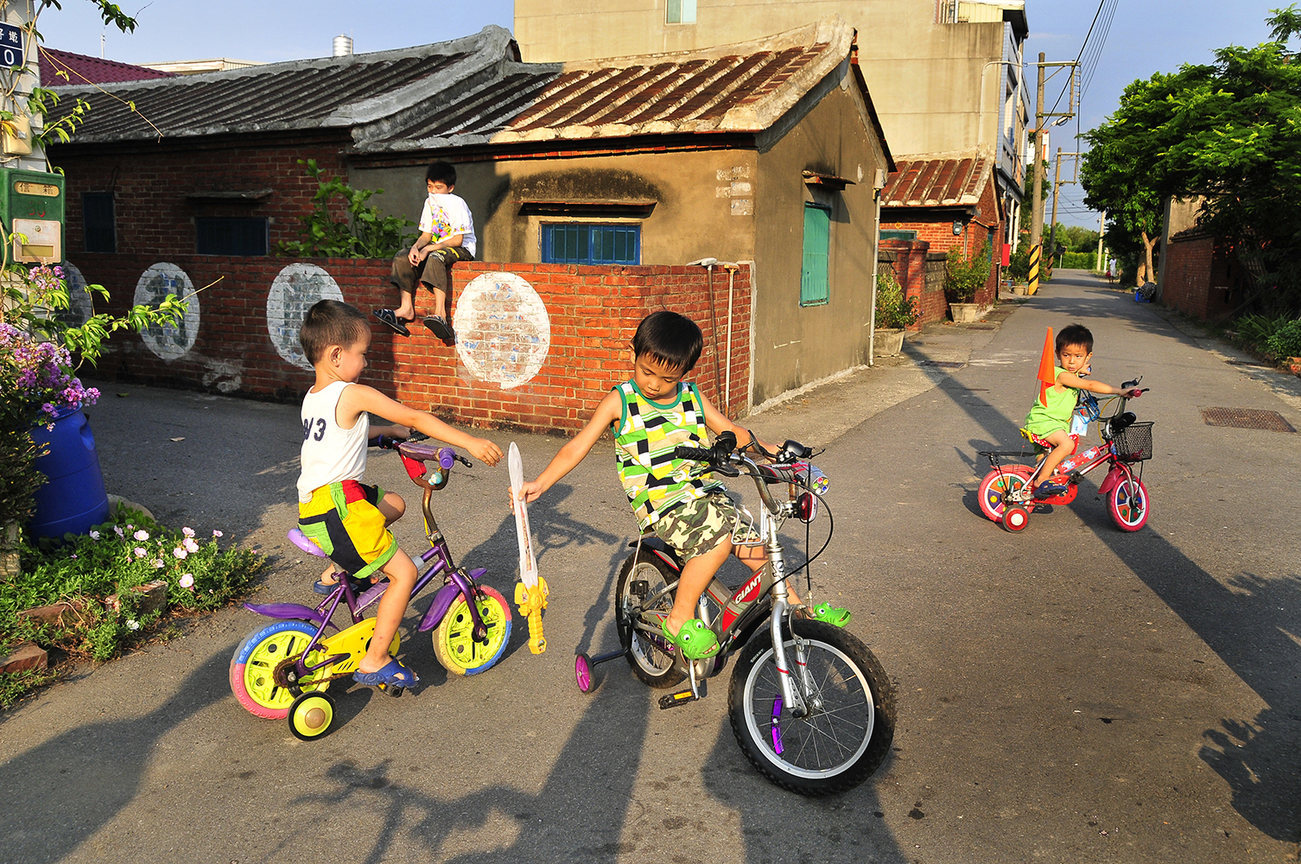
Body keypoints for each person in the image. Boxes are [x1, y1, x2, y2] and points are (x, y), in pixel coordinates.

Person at [514, 311, 847, 660]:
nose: (655, 384)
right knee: (716, 541)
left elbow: (733, 432)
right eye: (647, 372)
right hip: (664, 501)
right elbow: (576, 447)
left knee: (759, 550)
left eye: (668, 378)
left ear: (685, 374)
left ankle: (799, 614)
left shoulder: (691, 397)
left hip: (705, 493)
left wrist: (772, 453)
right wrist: (540, 482)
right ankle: (679, 617)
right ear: (633, 355)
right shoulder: (622, 400)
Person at [297, 299, 502, 688]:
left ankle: (339, 570)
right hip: (341, 507)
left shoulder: (314, 396)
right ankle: (375, 660)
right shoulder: (352, 393)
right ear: (337, 355)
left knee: (395, 503)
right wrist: (470, 442)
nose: (367, 363)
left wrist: (381, 435)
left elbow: (336, 440)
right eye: (363, 354)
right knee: (404, 573)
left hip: (321, 502)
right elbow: (414, 417)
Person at [1025, 323, 1141, 498]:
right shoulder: (1060, 375)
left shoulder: (1072, 374)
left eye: (1078, 356)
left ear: (1088, 356)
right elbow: (1090, 385)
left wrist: (1080, 370)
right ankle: (1042, 480)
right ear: (1057, 354)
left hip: (1052, 422)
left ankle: (1033, 488)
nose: (1072, 361)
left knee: (1048, 457)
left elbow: (1079, 375)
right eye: (1066, 355)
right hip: (1044, 421)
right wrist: (1119, 391)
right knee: (1067, 445)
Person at [372, 160, 476, 344]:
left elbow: (457, 240)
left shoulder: (457, 203)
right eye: (430, 186)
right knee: (402, 256)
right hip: (436, 247)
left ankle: (440, 315)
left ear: (450, 187)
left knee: (435, 257)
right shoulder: (429, 203)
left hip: (461, 249)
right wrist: (416, 247)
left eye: (439, 187)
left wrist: (427, 249)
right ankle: (405, 309)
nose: (434, 191)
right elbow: (426, 235)